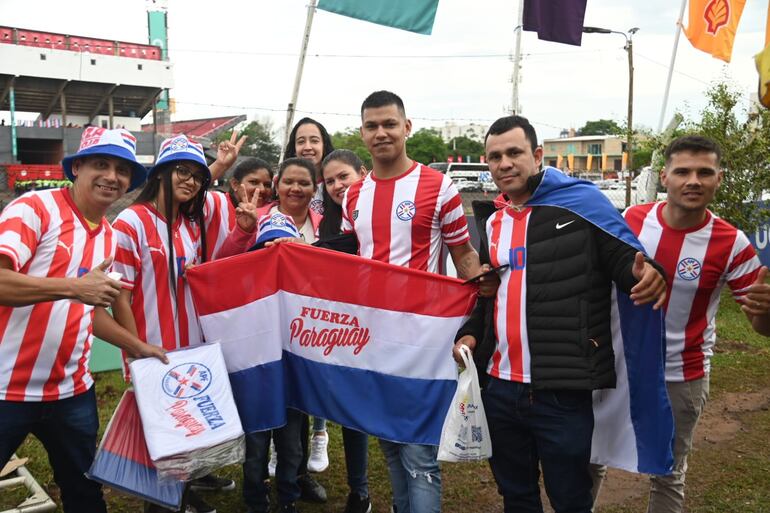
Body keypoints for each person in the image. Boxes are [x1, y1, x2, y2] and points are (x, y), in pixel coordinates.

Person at [451, 115, 667, 513]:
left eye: (514, 153)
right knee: (516, 496)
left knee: (570, 498)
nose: (504, 164)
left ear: (536, 156)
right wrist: (471, 334)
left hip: (560, 392)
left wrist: (648, 271)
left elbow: (626, 260)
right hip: (500, 388)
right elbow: (490, 296)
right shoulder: (494, 221)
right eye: (495, 156)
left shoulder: (583, 206)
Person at [590, 135, 770, 513]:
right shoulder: (631, 220)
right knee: (591, 458)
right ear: (664, 176)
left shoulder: (733, 243)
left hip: (681, 376)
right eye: (683, 171)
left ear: (719, 178)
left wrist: (765, 310)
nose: (693, 181)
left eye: (704, 172)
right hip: (617, 366)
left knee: (669, 473)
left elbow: (761, 325)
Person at [0, 127, 168, 513]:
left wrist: (138, 347)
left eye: (122, 170)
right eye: (100, 164)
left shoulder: (109, 236)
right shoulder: (35, 209)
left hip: (71, 391)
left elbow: (91, 312)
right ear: (77, 168)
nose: (112, 176)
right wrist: (73, 287)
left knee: (85, 491)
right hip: (7, 388)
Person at [341, 90, 487, 513]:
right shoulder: (353, 195)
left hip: (426, 338)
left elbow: (463, 255)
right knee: (387, 441)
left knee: (420, 452)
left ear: (407, 127)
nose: (381, 133)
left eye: (390, 124)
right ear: (363, 133)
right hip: (375, 338)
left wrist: (485, 300)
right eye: (372, 126)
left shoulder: (439, 187)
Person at [111, 134, 242, 513]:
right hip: (151, 346)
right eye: (181, 172)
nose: (190, 181)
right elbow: (120, 294)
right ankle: (164, 504)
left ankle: (181, 496)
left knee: (184, 430)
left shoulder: (189, 225)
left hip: (191, 347)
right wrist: (134, 350)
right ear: (160, 174)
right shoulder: (131, 222)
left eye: (197, 176)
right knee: (163, 433)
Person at [284, 117, 334, 218]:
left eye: (314, 141)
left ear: (324, 146)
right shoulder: (280, 185)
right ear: (294, 148)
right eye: (301, 142)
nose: (307, 147)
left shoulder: (338, 184)